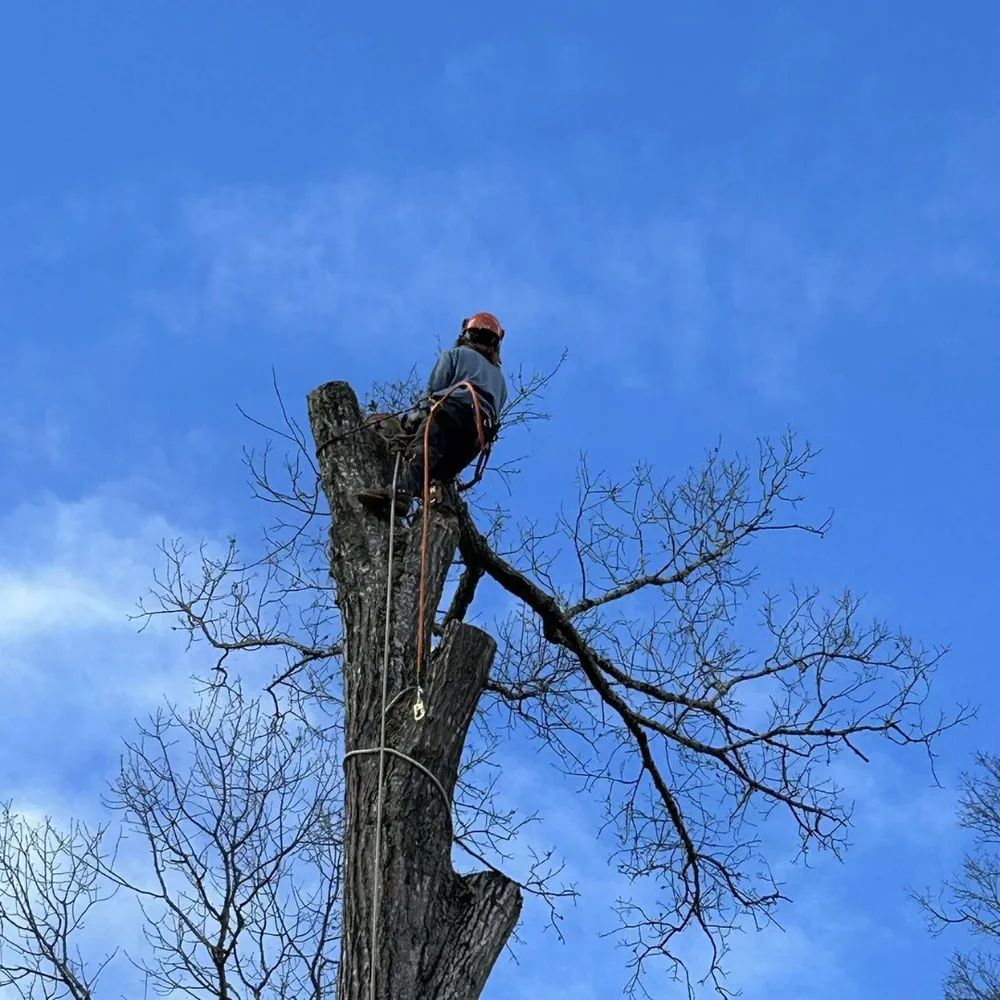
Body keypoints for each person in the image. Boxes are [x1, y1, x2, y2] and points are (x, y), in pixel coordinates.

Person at [357, 312, 509, 518]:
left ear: (466, 334)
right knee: (439, 474)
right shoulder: (501, 382)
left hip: (451, 413)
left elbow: (434, 392)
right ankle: (438, 507)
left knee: (423, 451)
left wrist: (414, 418)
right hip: (475, 439)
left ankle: (401, 493)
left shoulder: (456, 355)